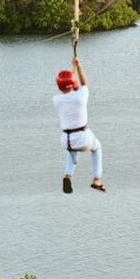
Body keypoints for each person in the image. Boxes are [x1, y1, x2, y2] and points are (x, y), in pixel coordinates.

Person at [53, 57, 104, 193]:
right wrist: (78, 66)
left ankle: (68, 176)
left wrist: (72, 71)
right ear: (72, 83)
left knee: (72, 152)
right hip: (83, 137)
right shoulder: (81, 96)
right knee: (97, 148)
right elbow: (83, 84)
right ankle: (97, 179)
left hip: (66, 139)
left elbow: (72, 88)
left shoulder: (57, 100)